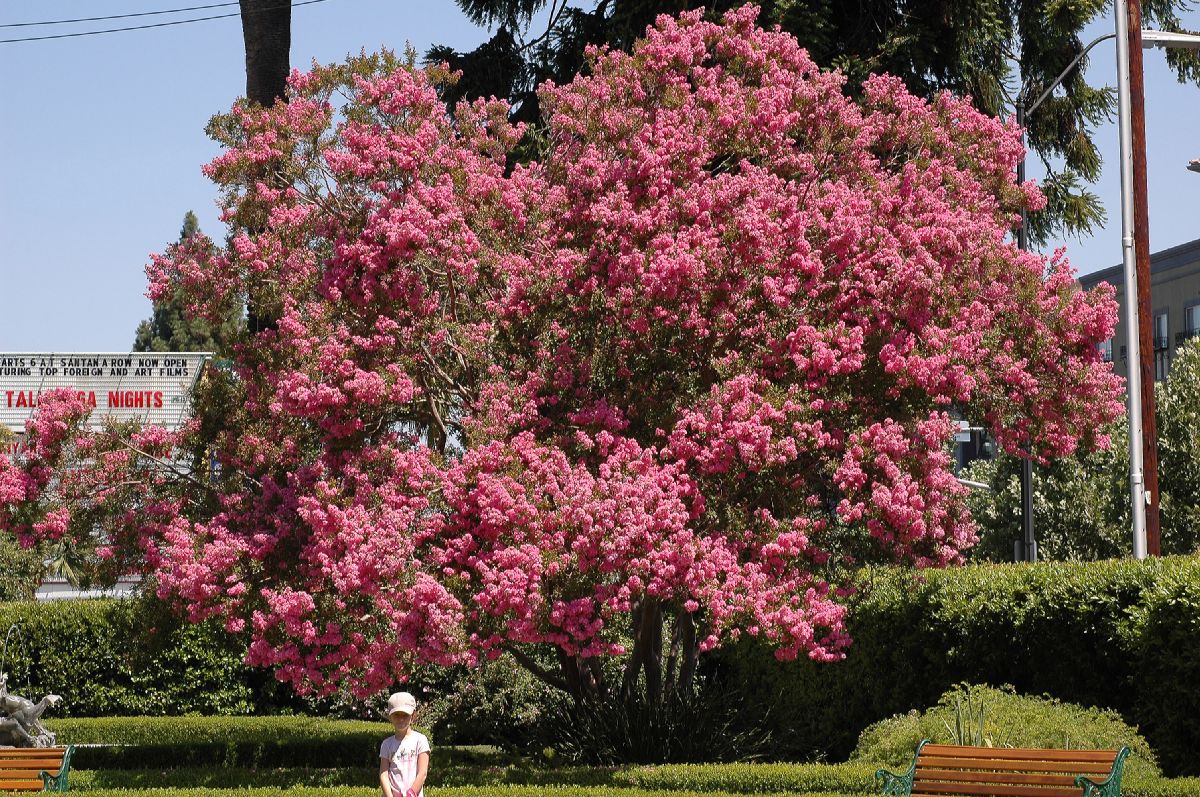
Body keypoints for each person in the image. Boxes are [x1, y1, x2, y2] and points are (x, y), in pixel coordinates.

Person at [379, 691, 430, 797]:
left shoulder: (420, 740)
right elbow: (383, 774)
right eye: (396, 715)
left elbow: (422, 773)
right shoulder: (386, 744)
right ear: (390, 716)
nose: (401, 719)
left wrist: (411, 793)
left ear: (413, 716)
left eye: (405, 715)